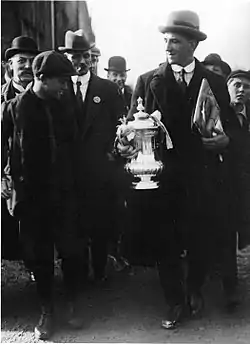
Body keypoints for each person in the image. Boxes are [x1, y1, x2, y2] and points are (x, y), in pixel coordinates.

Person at [116, 10, 238, 329]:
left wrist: (225, 140)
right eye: (166, 40)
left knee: (200, 238)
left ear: (193, 44)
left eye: (175, 41)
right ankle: (174, 300)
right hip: (162, 179)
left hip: (202, 177)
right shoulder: (146, 81)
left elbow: (234, 130)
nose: (168, 47)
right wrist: (126, 144)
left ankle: (194, 288)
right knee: (164, 241)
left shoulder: (214, 82)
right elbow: (130, 130)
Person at [2, 50, 85, 340]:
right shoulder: (14, 108)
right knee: (39, 258)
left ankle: (73, 305)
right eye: (61, 81)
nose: (65, 86)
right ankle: (47, 310)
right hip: (31, 196)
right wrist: (4, 177)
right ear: (41, 78)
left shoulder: (65, 105)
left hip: (64, 193)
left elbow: (75, 145)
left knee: (72, 251)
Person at [58, 30, 124, 283]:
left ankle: (99, 271)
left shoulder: (106, 89)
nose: (81, 62)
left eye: (85, 56)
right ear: (67, 58)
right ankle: (76, 275)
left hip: (99, 169)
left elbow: (120, 127)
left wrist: (112, 153)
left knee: (99, 223)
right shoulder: (59, 89)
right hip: (68, 170)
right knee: (72, 224)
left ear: (92, 58)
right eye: (75, 56)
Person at [1, 36, 40, 262]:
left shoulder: (45, 96)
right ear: (10, 65)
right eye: (21, 61)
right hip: (8, 174)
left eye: (31, 62)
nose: (26, 67)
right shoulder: (1, 97)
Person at [222, 70, 250, 308]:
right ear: (228, 86)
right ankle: (230, 289)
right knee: (228, 236)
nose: (242, 90)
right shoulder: (220, 114)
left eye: (247, 87)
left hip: (247, 183)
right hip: (227, 185)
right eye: (237, 85)